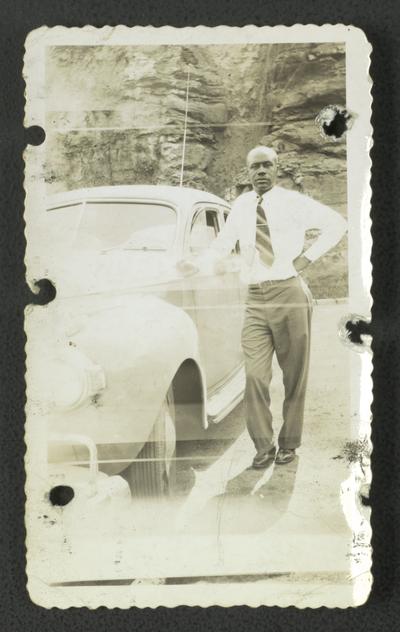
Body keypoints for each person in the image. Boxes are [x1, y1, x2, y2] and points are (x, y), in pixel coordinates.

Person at [206, 145, 348, 468]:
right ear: (247, 171)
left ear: (276, 168)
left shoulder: (292, 202)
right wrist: (197, 264)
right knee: (254, 375)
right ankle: (263, 446)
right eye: (254, 167)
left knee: (294, 376)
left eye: (266, 166)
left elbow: (337, 224)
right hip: (255, 299)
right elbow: (223, 244)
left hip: (289, 294)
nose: (260, 172)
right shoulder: (241, 206)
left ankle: (289, 444)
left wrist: (305, 259)